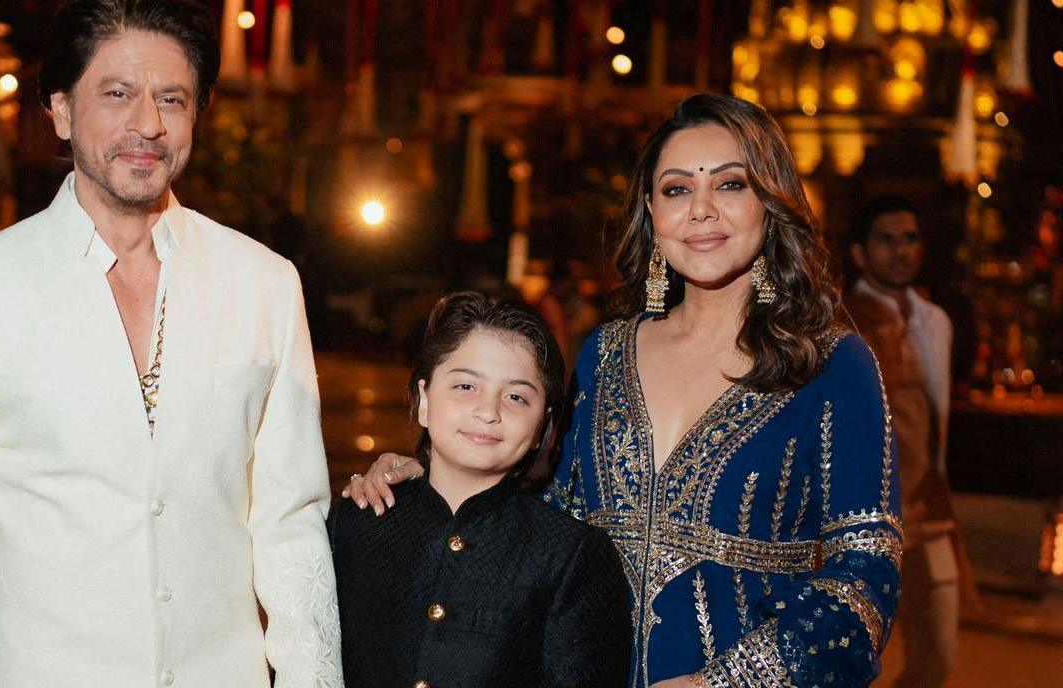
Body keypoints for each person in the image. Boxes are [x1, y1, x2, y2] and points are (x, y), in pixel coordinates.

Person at [0, 0, 341, 687]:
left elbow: (291, 519)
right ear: (60, 111)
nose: (147, 124)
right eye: (117, 94)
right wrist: (35, 611)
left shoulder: (264, 283)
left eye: (173, 99)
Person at [345, 94, 901, 688]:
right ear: (651, 211)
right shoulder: (606, 352)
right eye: (678, 189)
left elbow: (866, 574)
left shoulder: (829, 363)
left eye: (731, 185)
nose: (702, 211)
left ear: (770, 200)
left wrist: (727, 682)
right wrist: (433, 485)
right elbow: (547, 521)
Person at [330, 292, 632, 687]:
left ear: (544, 425)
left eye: (516, 397)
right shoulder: (355, 521)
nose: (488, 411)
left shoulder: (570, 556)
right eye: (465, 386)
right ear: (424, 400)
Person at [845, 196, 969, 688]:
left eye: (910, 238)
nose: (901, 251)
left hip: (929, 511)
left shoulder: (934, 321)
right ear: (860, 253)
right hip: (861, 518)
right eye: (886, 239)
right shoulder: (840, 322)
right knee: (848, 659)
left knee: (938, 655)